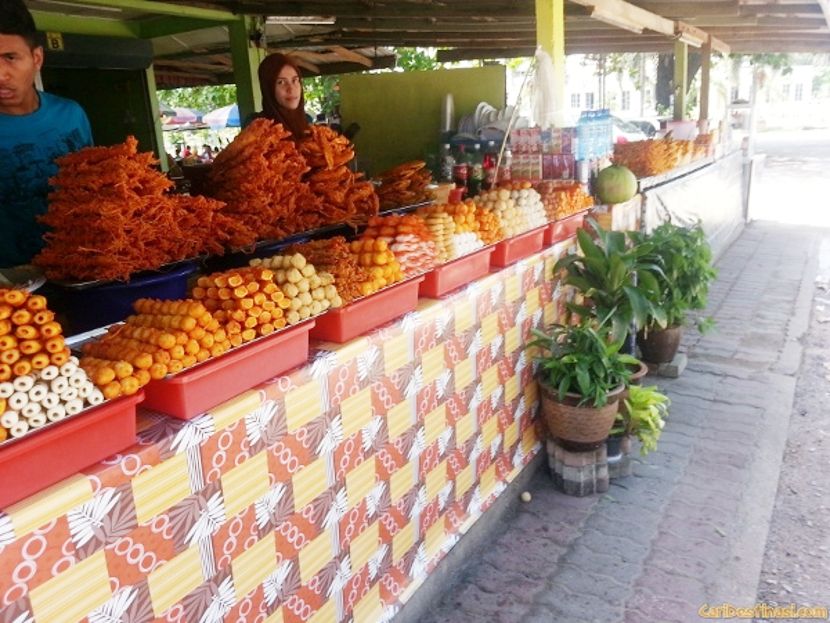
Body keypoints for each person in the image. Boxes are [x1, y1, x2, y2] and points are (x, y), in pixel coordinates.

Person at [0, 0, 92, 268]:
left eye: (10, 58)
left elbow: (95, 188)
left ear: (36, 58)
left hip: (81, 266)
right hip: (12, 288)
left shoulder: (71, 116)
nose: (1, 75)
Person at [254, 53, 310, 141]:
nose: (291, 89)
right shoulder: (257, 126)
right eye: (281, 82)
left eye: (295, 80)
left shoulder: (307, 122)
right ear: (269, 89)